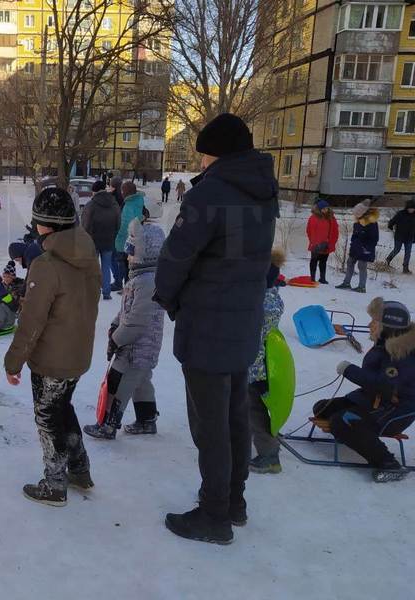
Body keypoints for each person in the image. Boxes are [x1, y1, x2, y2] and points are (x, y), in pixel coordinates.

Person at [154, 113, 278, 545]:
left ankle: (213, 515)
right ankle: (235, 502)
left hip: (208, 322)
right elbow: (240, 256)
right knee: (233, 417)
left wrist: (167, 298)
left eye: (204, 153)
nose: (201, 162)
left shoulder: (211, 194)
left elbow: (176, 257)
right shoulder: (261, 192)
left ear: (217, 153)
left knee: (211, 425)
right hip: (243, 321)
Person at [4, 187, 101, 507]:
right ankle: (80, 469)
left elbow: (32, 321)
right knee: (63, 409)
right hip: (78, 354)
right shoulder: (88, 254)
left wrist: (13, 361)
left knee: (48, 416)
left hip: (52, 359)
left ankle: (55, 483)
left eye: (37, 222)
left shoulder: (46, 264)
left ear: (46, 225)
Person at [314, 298, 415, 482]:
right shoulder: (385, 343)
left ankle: (388, 463)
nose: (369, 325)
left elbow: (383, 386)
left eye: (374, 321)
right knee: (323, 408)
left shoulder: (401, 353)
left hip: (394, 410)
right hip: (373, 401)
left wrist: (349, 370)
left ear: (387, 327)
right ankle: (356, 437)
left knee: (341, 421)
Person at [84, 210, 166, 439]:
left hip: (136, 347)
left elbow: (136, 321)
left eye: (131, 252)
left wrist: (116, 339)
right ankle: (147, 419)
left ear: (145, 253)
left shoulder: (149, 282)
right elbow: (126, 311)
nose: (127, 257)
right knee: (141, 381)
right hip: (138, 347)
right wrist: (113, 325)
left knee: (118, 382)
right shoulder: (141, 279)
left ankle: (109, 424)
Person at [247, 249, 286, 474]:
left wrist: (256, 375)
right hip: (264, 367)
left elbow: (257, 343)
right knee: (254, 410)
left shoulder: (258, 305)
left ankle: (269, 456)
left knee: (255, 412)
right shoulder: (272, 298)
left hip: (255, 369)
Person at [82, 180, 121, 300]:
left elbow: (85, 224)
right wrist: (113, 235)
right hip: (109, 241)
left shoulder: (91, 205)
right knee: (106, 266)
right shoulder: (114, 204)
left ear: (94, 191)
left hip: (93, 241)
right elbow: (118, 224)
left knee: (93, 267)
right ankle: (106, 292)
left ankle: (93, 291)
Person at [336, 200, 379, 294]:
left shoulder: (372, 223)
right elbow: (355, 235)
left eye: (357, 213)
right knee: (350, 262)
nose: (355, 215)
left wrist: (366, 248)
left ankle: (362, 287)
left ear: (363, 213)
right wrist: (353, 244)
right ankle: (346, 283)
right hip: (356, 247)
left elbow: (374, 239)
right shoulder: (358, 221)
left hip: (365, 249)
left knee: (362, 266)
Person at [113, 180, 145, 291]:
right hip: (137, 239)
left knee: (125, 266)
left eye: (122, 191)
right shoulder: (139, 202)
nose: (121, 193)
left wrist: (117, 238)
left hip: (126, 241)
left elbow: (125, 225)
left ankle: (128, 289)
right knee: (132, 267)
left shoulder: (128, 206)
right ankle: (130, 287)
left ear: (125, 192)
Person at [306, 198, 338, 284]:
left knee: (323, 261)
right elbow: (309, 231)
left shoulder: (331, 218)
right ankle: (312, 278)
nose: (325, 210)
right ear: (319, 209)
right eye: (323, 208)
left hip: (326, 244)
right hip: (316, 244)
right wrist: (313, 242)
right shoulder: (313, 218)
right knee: (314, 260)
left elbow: (335, 231)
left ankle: (322, 278)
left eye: (326, 208)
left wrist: (331, 243)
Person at [386, 200, 415, 274]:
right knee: (397, 250)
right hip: (399, 236)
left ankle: (405, 268)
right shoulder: (401, 214)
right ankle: (388, 259)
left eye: (413, 208)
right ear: (407, 208)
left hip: (409, 237)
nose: (411, 210)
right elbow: (393, 221)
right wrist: (390, 225)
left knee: (408, 253)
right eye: (409, 208)